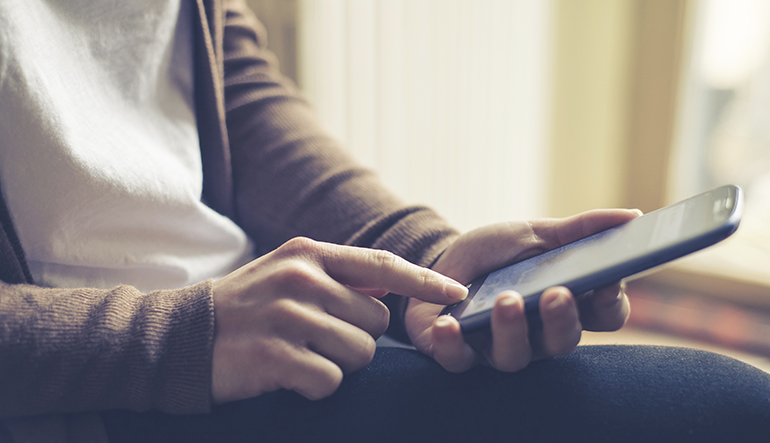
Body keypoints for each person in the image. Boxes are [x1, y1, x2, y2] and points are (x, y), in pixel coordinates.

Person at [1, 0, 769, 442]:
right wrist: (173, 337)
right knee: (728, 411)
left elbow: (228, 83)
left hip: (250, 331)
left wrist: (427, 259)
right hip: (92, 387)